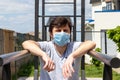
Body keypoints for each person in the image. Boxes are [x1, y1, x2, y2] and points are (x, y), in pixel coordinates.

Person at [22, 16, 96, 80]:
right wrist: (43, 54)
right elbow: (26, 43)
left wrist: (72, 56)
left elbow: (91, 43)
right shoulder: (47, 46)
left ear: (70, 33)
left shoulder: (73, 46)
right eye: (58, 30)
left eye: (65, 30)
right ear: (51, 34)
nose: (62, 33)